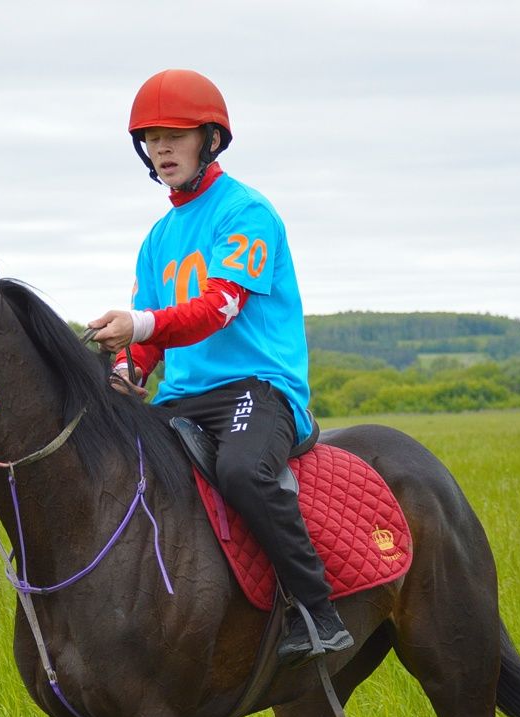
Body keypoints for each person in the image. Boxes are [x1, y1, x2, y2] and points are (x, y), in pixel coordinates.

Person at [87, 68, 353, 667]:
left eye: (175, 136)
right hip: (181, 396)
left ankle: (317, 609)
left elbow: (217, 308)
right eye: (152, 138)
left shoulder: (247, 212)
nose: (161, 149)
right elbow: (152, 334)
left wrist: (140, 327)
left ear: (210, 140)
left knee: (241, 471)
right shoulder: (157, 239)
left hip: (259, 389)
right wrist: (129, 369)